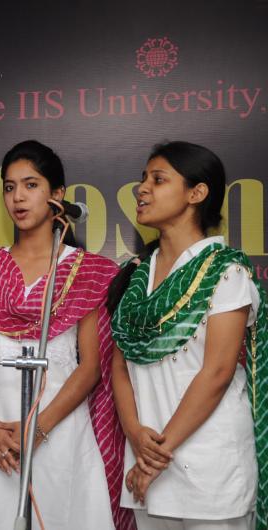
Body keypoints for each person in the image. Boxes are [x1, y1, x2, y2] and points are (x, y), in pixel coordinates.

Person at [0, 140, 133, 529]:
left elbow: (91, 367)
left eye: (31, 185)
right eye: (9, 187)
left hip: (59, 427)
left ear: (58, 195)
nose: (18, 197)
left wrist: (38, 429)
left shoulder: (86, 270)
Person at [108, 141, 266, 530]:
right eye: (143, 178)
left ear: (197, 193)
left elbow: (217, 373)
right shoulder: (136, 276)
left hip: (209, 469)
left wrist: (154, 458)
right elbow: (120, 365)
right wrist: (134, 433)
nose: (142, 188)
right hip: (145, 466)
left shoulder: (225, 271)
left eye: (158, 179)